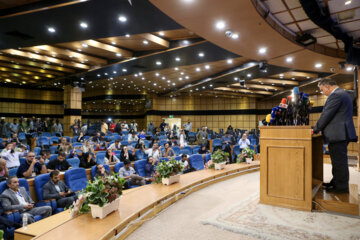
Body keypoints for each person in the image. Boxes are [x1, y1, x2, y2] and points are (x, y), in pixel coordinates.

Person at [314, 79, 357, 193]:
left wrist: (315, 129)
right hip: (341, 133)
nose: (322, 92)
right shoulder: (343, 93)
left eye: (322, 89)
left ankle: (341, 188)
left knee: (339, 162)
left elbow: (326, 115)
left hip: (339, 134)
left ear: (327, 86)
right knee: (337, 161)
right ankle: (336, 182)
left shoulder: (336, 95)